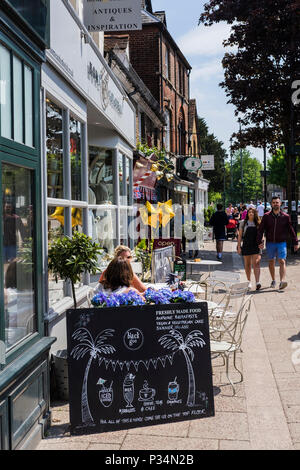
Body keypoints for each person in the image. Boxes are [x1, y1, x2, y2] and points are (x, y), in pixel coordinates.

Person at [257, 196, 299, 290]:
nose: (275, 204)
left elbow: (291, 230)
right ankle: (273, 280)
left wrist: (295, 242)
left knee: (282, 261)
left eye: (277, 202)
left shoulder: (285, 216)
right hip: (270, 243)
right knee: (271, 262)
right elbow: (260, 230)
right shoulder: (266, 216)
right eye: (274, 202)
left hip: (281, 242)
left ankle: (282, 281)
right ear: (271, 204)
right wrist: (260, 241)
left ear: (280, 204)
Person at [237, 208, 262, 290]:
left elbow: (262, 235)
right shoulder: (243, 223)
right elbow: (240, 235)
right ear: (247, 214)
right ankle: (249, 282)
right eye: (249, 212)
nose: (251, 213)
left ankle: (257, 282)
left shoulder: (258, 223)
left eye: (252, 212)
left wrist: (262, 244)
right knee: (247, 264)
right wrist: (239, 246)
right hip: (246, 245)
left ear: (255, 214)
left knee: (256, 263)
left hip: (256, 245)